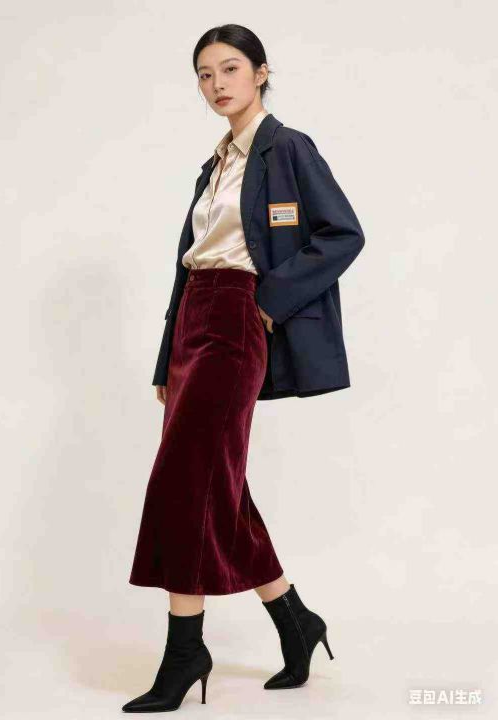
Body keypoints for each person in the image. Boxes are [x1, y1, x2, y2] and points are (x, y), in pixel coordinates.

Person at [123, 23, 364, 713]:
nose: (216, 84)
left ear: (260, 72)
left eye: (229, 68)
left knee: (184, 479)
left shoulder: (287, 148)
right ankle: (295, 619)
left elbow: (342, 233)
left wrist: (266, 302)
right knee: (214, 482)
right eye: (204, 74)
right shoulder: (214, 166)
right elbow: (187, 266)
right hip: (194, 321)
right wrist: (165, 358)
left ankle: (184, 650)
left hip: (237, 317)